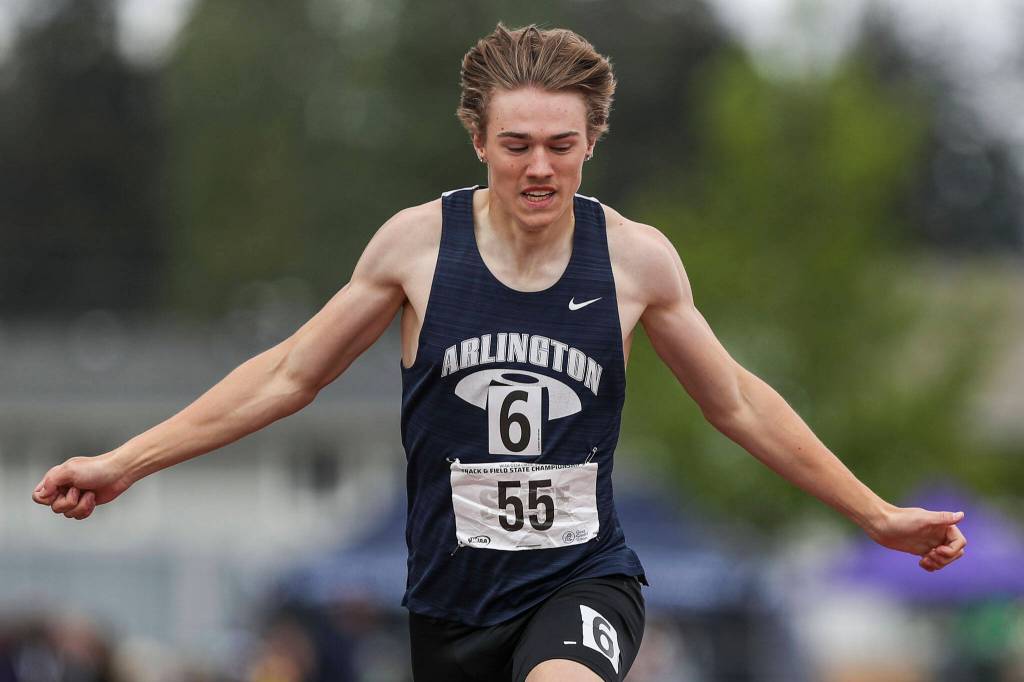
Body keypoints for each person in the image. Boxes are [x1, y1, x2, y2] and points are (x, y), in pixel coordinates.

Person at [32, 23, 967, 682]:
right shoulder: (415, 249)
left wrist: (875, 513)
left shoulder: (637, 260)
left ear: (593, 141)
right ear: (477, 140)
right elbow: (286, 376)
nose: (539, 168)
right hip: (450, 602)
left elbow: (739, 403)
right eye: (515, 144)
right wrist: (126, 461)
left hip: (584, 577)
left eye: (562, 145)